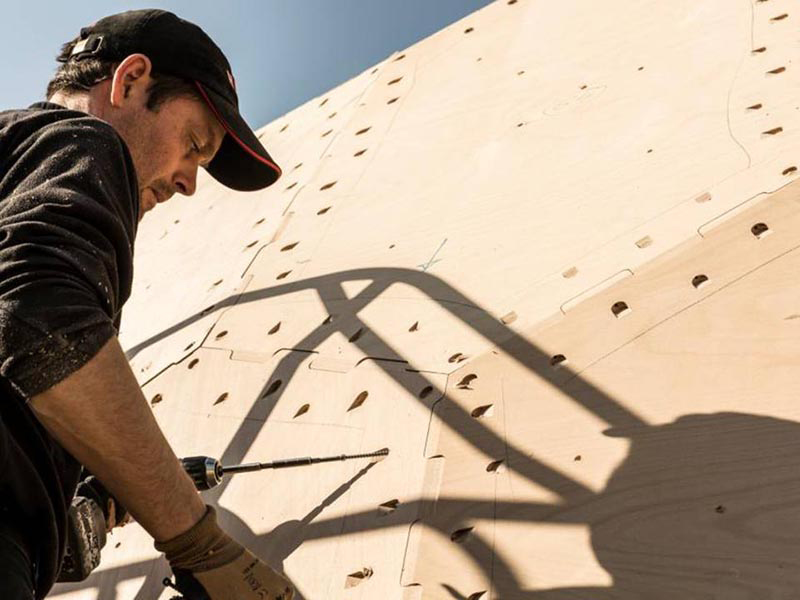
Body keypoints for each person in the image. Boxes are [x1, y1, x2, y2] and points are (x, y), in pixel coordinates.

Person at [0, 9, 294, 600]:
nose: (188, 182)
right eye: (192, 144)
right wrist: (195, 540)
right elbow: (39, 317)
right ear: (130, 80)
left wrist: (83, 490)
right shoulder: (81, 139)